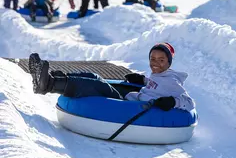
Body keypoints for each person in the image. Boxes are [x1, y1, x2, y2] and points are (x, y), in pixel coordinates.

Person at [28, 43, 195, 112]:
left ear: (169, 62)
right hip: (132, 97)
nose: (155, 63)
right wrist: (142, 80)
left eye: (161, 60)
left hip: (133, 106)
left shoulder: (172, 82)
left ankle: (48, 84)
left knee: (99, 87)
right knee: (94, 76)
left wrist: (173, 102)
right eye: (152, 59)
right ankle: (53, 77)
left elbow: (189, 103)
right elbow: (156, 84)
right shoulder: (160, 75)